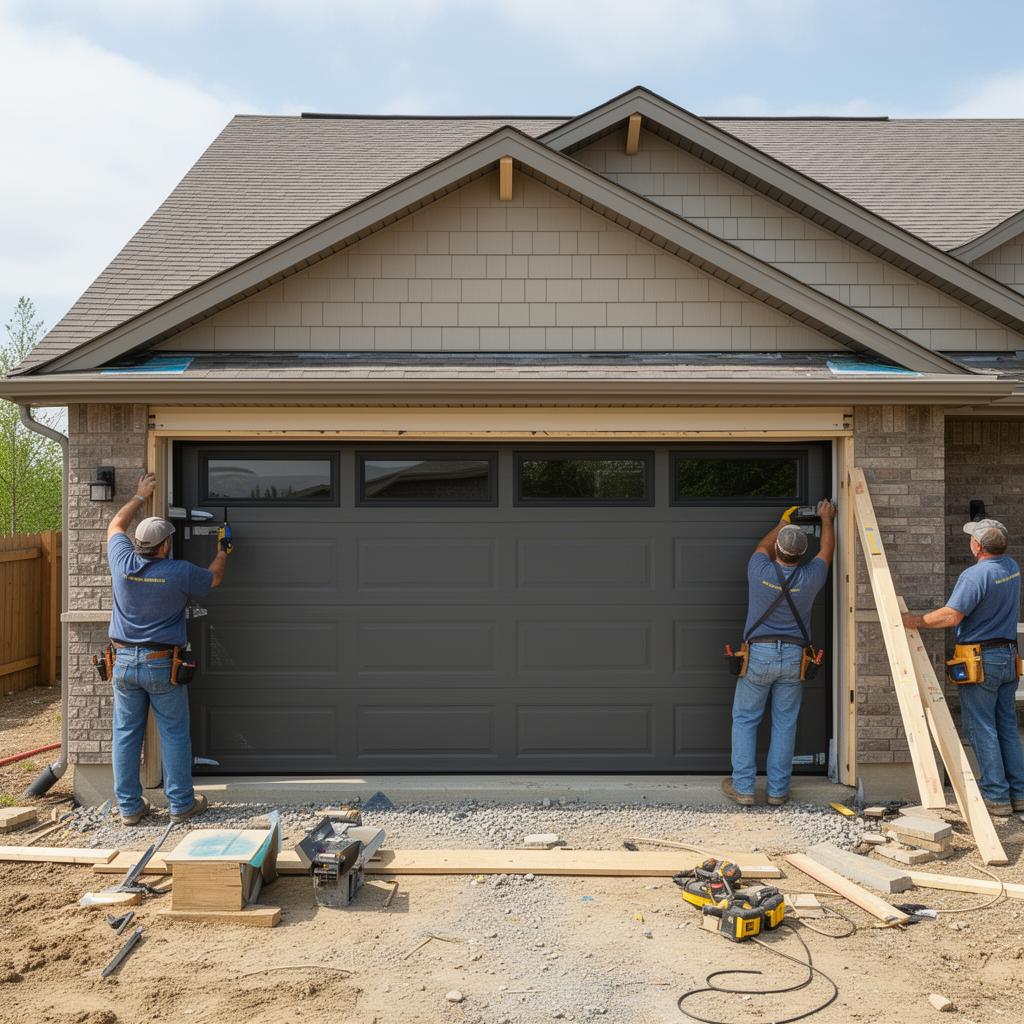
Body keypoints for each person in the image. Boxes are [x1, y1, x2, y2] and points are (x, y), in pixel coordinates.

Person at [106, 472, 230, 825]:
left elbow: (116, 524)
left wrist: (140, 496)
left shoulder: (122, 562)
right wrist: (223, 551)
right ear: (164, 546)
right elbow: (214, 577)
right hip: (162, 664)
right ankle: (181, 804)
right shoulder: (178, 572)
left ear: (139, 545)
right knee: (173, 732)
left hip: (123, 662)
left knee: (125, 735)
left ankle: (130, 809)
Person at [902, 519, 1024, 817]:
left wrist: (915, 621)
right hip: (1008, 655)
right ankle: (1019, 794)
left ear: (977, 546)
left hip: (981, 659)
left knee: (981, 727)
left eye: (972, 538)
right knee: (1006, 725)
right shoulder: (1011, 567)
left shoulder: (975, 576)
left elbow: (952, 616)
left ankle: (996, 796)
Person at [722, 500, 836, 807]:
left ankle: (744, 789)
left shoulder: (759, 569)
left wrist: (784, 521)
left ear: (779, 550)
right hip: (794, 659)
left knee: (745, 719)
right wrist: (827, 519)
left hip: (758, 655)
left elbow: (763, 545)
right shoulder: (811, 576)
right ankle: (777, 792)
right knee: (785, 723)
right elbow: (827, 550)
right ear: (802, 554)